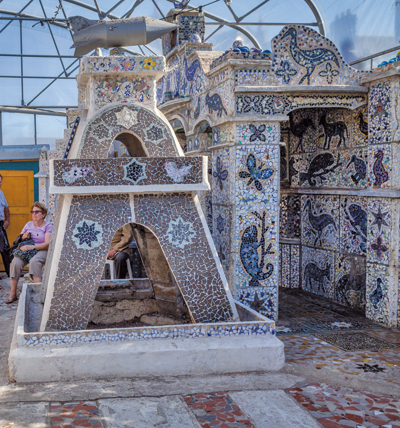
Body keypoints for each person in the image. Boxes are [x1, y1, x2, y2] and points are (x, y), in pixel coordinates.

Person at [5, 202, 52, 304]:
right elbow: (19, 238)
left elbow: (47, 243)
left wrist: (33, 246)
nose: (34, 214)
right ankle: (13, 293)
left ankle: (39, 293)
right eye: (32, 212)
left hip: (41, 249)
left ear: (43, 214)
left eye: (37, 212)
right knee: (15, 262)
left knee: (35, 261)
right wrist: (23, 237)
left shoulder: (48, 226)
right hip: (26, 250)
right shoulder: (28, 224)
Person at [0, 173, 11, 279]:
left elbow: (6, 207)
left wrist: (7, 220)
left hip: (0, 225)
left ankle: (10, 274)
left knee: (5, 250)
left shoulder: (1, 193)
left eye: (0, 181)